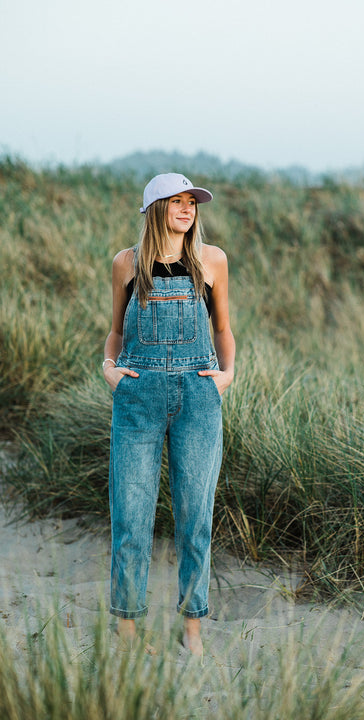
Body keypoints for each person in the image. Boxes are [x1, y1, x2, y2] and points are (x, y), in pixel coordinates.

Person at [102, 173, 235, 656]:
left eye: (191, 202)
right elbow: (115, 332)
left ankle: (192, 631)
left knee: (195, 518)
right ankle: (128, 636)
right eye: (175, 202)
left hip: (199, 396)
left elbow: (223, 329)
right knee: (130, 518)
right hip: (137, 396)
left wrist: (227, 375)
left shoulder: (211, 260)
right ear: (154, 209)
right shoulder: (126, 263)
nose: (186, 209)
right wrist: (109, 368)